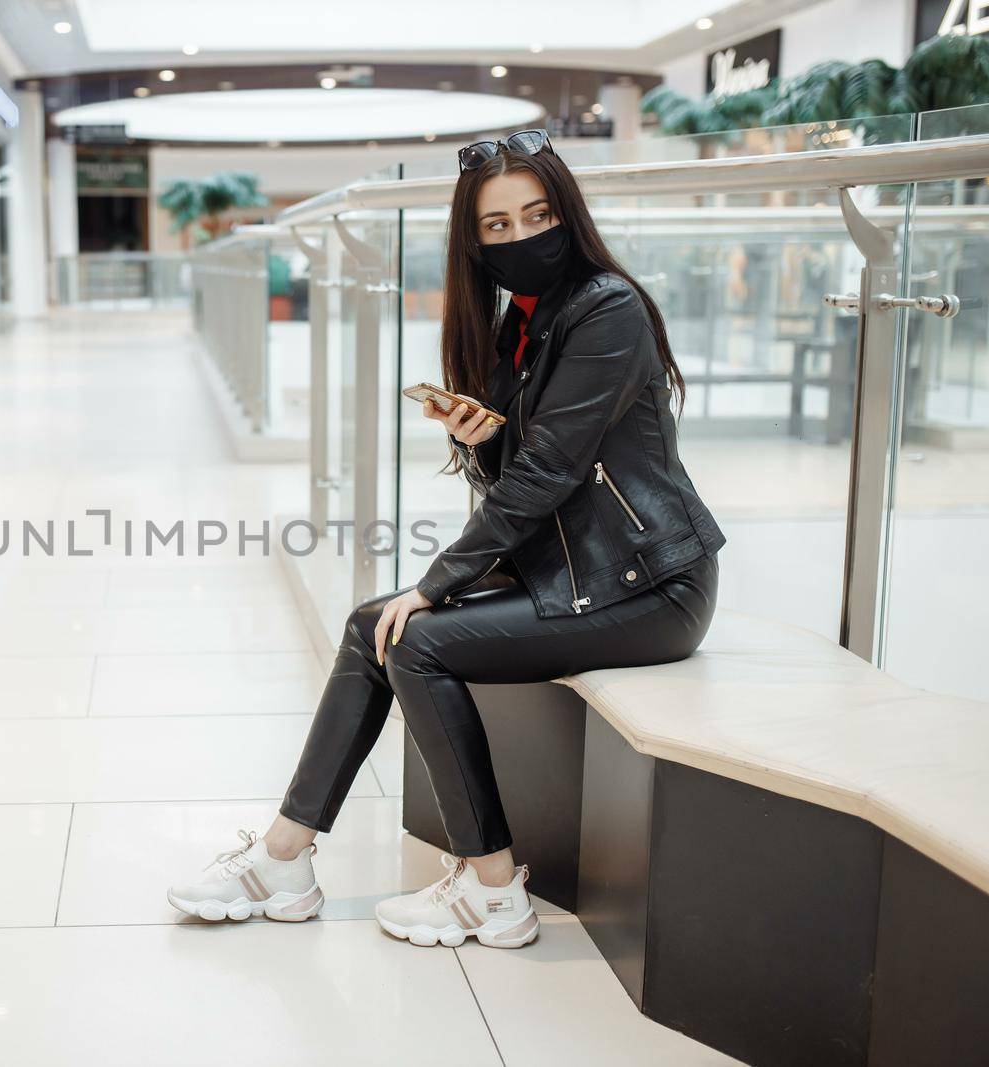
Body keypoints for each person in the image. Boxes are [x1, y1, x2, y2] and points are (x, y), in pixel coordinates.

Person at [166, 129, 727, 949]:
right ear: (473, 241)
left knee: (415, 639)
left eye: (537, 215)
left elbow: (550, 480)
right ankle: (284, 857)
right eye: (496, 226)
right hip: (579, 575)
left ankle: (494, 892)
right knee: (373, 625)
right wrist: (483, 440)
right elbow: (524, 472)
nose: (521, 237)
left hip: (651, 584)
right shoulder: (519, 326)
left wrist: (434, 583)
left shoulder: (607, 310)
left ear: (567, 214)